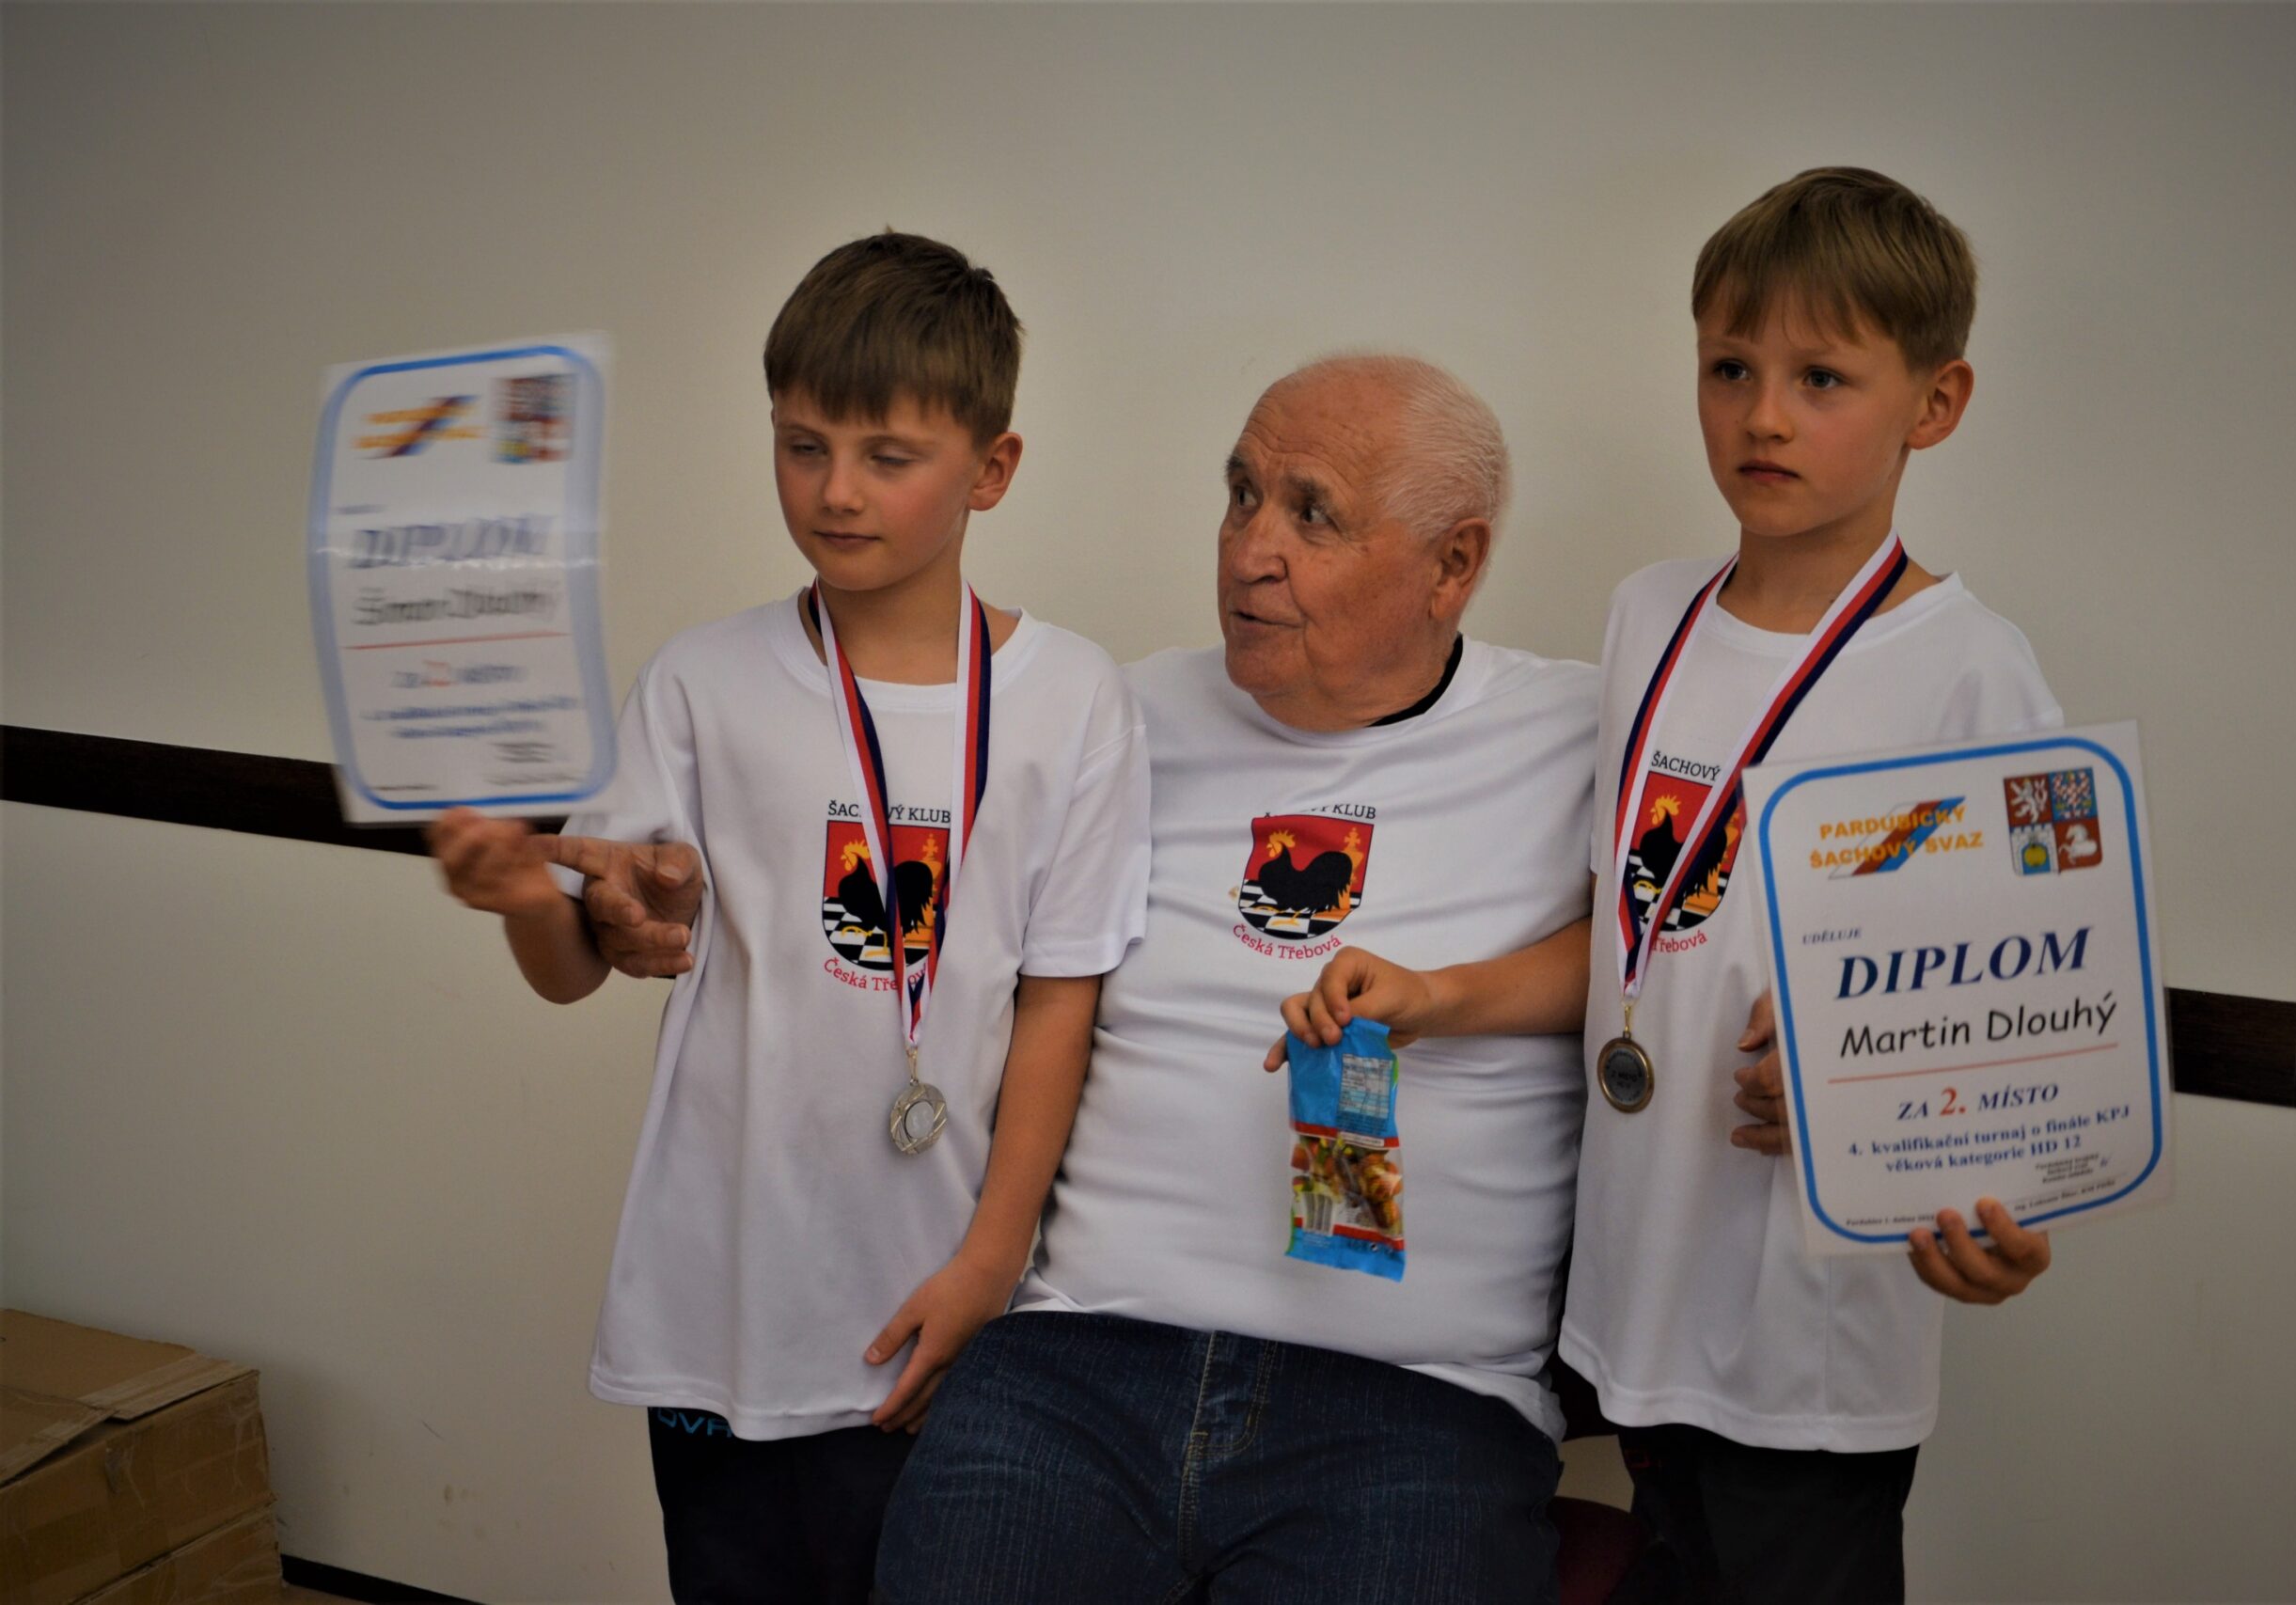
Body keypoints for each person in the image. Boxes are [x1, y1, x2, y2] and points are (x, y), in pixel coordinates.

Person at [1282, 169, 2060, 1603]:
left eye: (1823, 378)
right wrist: (1439, 993)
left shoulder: (1971, 671)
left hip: (1807, 1340)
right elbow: (1639, 934)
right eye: (1730, 368)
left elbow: (2030, 1009)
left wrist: (1970, 1177)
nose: (1764, 416)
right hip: (1639, 1295)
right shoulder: (1651, 616)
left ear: (1935, 403)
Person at [426, 231, 1151, 1604]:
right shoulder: (702, 681)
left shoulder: (1073, 699)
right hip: (725, 1305)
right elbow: (581, 966)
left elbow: (1062, 998)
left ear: (991, 467)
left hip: (941, 1293)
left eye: (889, 455)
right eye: (801, 445)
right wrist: (528, 894)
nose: (835, 490)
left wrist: (991, 1263)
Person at [874, 354, 1597, 1604]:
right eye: (1241, 494)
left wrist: (1448, 994)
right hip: (1083, 1357)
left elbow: (1684, 952)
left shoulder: (1585, 733)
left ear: (1453, 564)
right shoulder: (1120, 713)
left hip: (1421, 1401)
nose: (1251, 551)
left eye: (1313, 515)